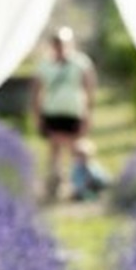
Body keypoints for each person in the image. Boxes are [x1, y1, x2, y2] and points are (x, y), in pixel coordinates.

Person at [32, 25, 96, 201]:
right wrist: (37, 115)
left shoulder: (80, 63)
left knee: (77, 149)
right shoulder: (45, 65)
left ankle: (79, 184)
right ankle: (55, 184)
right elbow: (37, 92)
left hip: (74, 112)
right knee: (54, 149)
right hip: (52, 112)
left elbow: (89, 89)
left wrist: (88, 114)